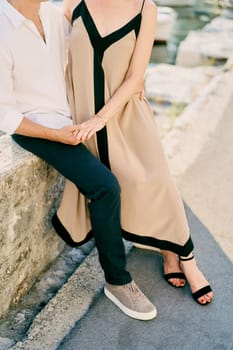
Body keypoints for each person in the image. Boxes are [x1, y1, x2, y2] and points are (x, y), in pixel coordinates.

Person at [0, 0, 158, 320]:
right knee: (105, 186)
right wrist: (54, 134)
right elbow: (5, 113)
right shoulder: (3, 28)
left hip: (78, 115)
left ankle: (166, 245)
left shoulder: (55, 15)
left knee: (145, 166)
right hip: (38, 127)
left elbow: (97, 48)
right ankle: (117, 280)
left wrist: (135, 78)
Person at [62, 0, 214, 306]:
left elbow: (135, 76)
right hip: (84, 122)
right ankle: (166, 249)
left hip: (125, 115)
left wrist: (100, 118)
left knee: (156, 182)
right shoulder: (72, 5)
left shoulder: (146, 8)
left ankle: (185, 257)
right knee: (121, 186)